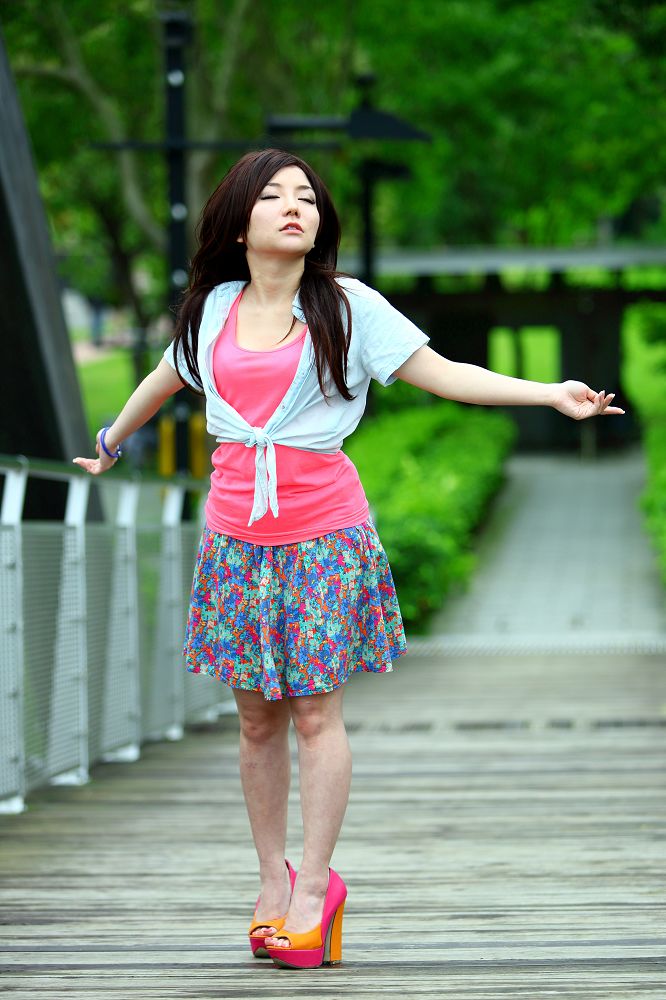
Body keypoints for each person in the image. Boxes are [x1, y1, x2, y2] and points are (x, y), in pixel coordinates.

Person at [73, 148, 624, 970]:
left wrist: (549, 393)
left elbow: (444, 374)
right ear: (238, 222)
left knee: (313, 715)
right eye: (273, 196)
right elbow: (164, 377)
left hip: (324, 534)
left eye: (306, 196)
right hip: (234, 538)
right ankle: (272, 881)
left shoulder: (349, 307)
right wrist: (111, 441)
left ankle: (314, 889)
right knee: (255, 719)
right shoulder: (212, 309)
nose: (295, 206)